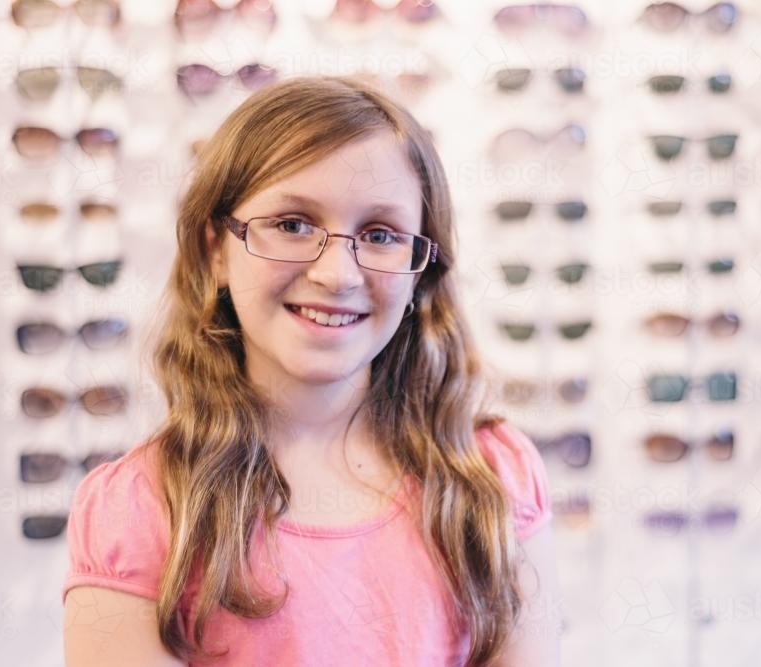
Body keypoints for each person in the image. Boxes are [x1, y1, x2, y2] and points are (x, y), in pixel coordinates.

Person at [62, 75, 561, 666]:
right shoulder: (140, 511)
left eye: (380, 235)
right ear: (216, 250)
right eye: (293, 224)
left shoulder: (494, 480)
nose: (337, 274)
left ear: (418, 270)